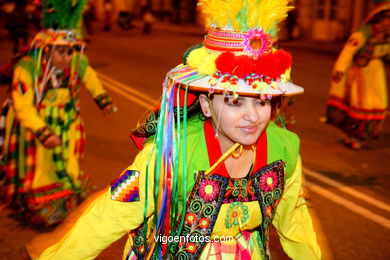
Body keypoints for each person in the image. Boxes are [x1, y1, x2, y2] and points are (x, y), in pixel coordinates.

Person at [27, 0, 321, 259]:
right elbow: (111, 212)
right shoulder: (170, 153)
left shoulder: (284, 150)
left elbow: (296, 221)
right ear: (206, 105)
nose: (252, 117)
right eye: (234, 101)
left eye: (262, 101)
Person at [0, 0, 116, 227]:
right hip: (37, 125)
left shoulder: (75, 62)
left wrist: (103, 100)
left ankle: (65, 194)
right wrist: (42, 132)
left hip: (67, 121)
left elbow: (90, 77)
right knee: (41, 168)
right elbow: (22, 104)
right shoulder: (28, 67)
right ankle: (40, 200)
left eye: (71, 51)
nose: (67, 57)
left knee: (69, 160)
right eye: (61, 52)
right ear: (46, 49)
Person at [325, 0, 390, 150]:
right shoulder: (363, 33)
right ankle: (353, 137)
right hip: (361, 73)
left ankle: (363, 134)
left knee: (378, 103)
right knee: (360, 103)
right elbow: (348, 51)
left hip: (376, 72)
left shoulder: (386, 36)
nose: (389, 23)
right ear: (380, 18)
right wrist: (339, 70)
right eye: (387, 18)